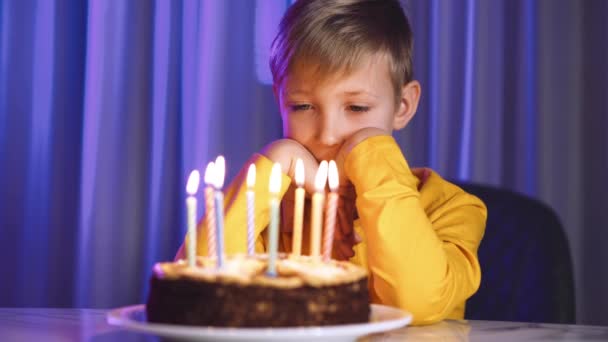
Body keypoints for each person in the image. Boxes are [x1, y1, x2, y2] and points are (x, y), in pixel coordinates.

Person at [176, 0, 486, 325]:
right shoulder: (271, 207)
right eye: (302, 106)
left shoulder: (455, 210)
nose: (327, 134)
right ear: (280, 102)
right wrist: (276, 160)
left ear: (403, 105)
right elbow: (196, 294)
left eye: (357, 108)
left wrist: (370, 151)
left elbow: (418, 304)